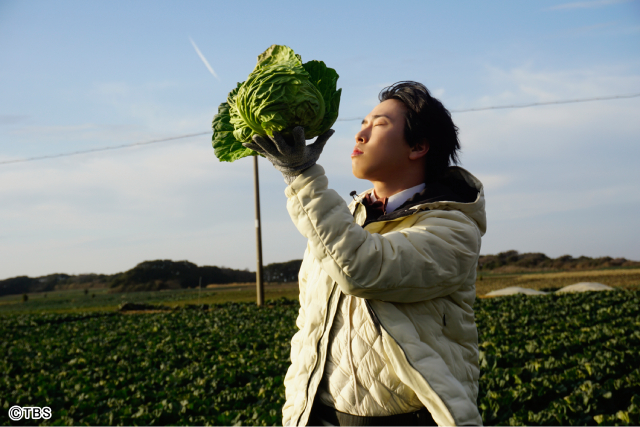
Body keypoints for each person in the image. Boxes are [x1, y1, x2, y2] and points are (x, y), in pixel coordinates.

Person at [244, 81, 486, 426]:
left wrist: (300, 175)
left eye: (380, 124)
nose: (360, 135)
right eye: (363, 123)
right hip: (321, 415)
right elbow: (308, 326)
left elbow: (362, 268)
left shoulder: (453, 229)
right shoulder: (341, 219)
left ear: (418, 146)